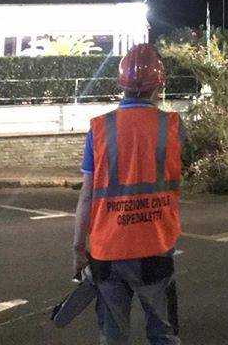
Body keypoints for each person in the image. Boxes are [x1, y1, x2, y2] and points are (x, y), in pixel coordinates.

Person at [72, 43, 184, 345]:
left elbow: (86, 196)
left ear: (120, 84)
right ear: (159, 85)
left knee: (113, 336)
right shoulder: (173, 127)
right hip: (155, 249)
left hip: (108, 252)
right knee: (163, 334)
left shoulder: (99, 128)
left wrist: (78, 248)